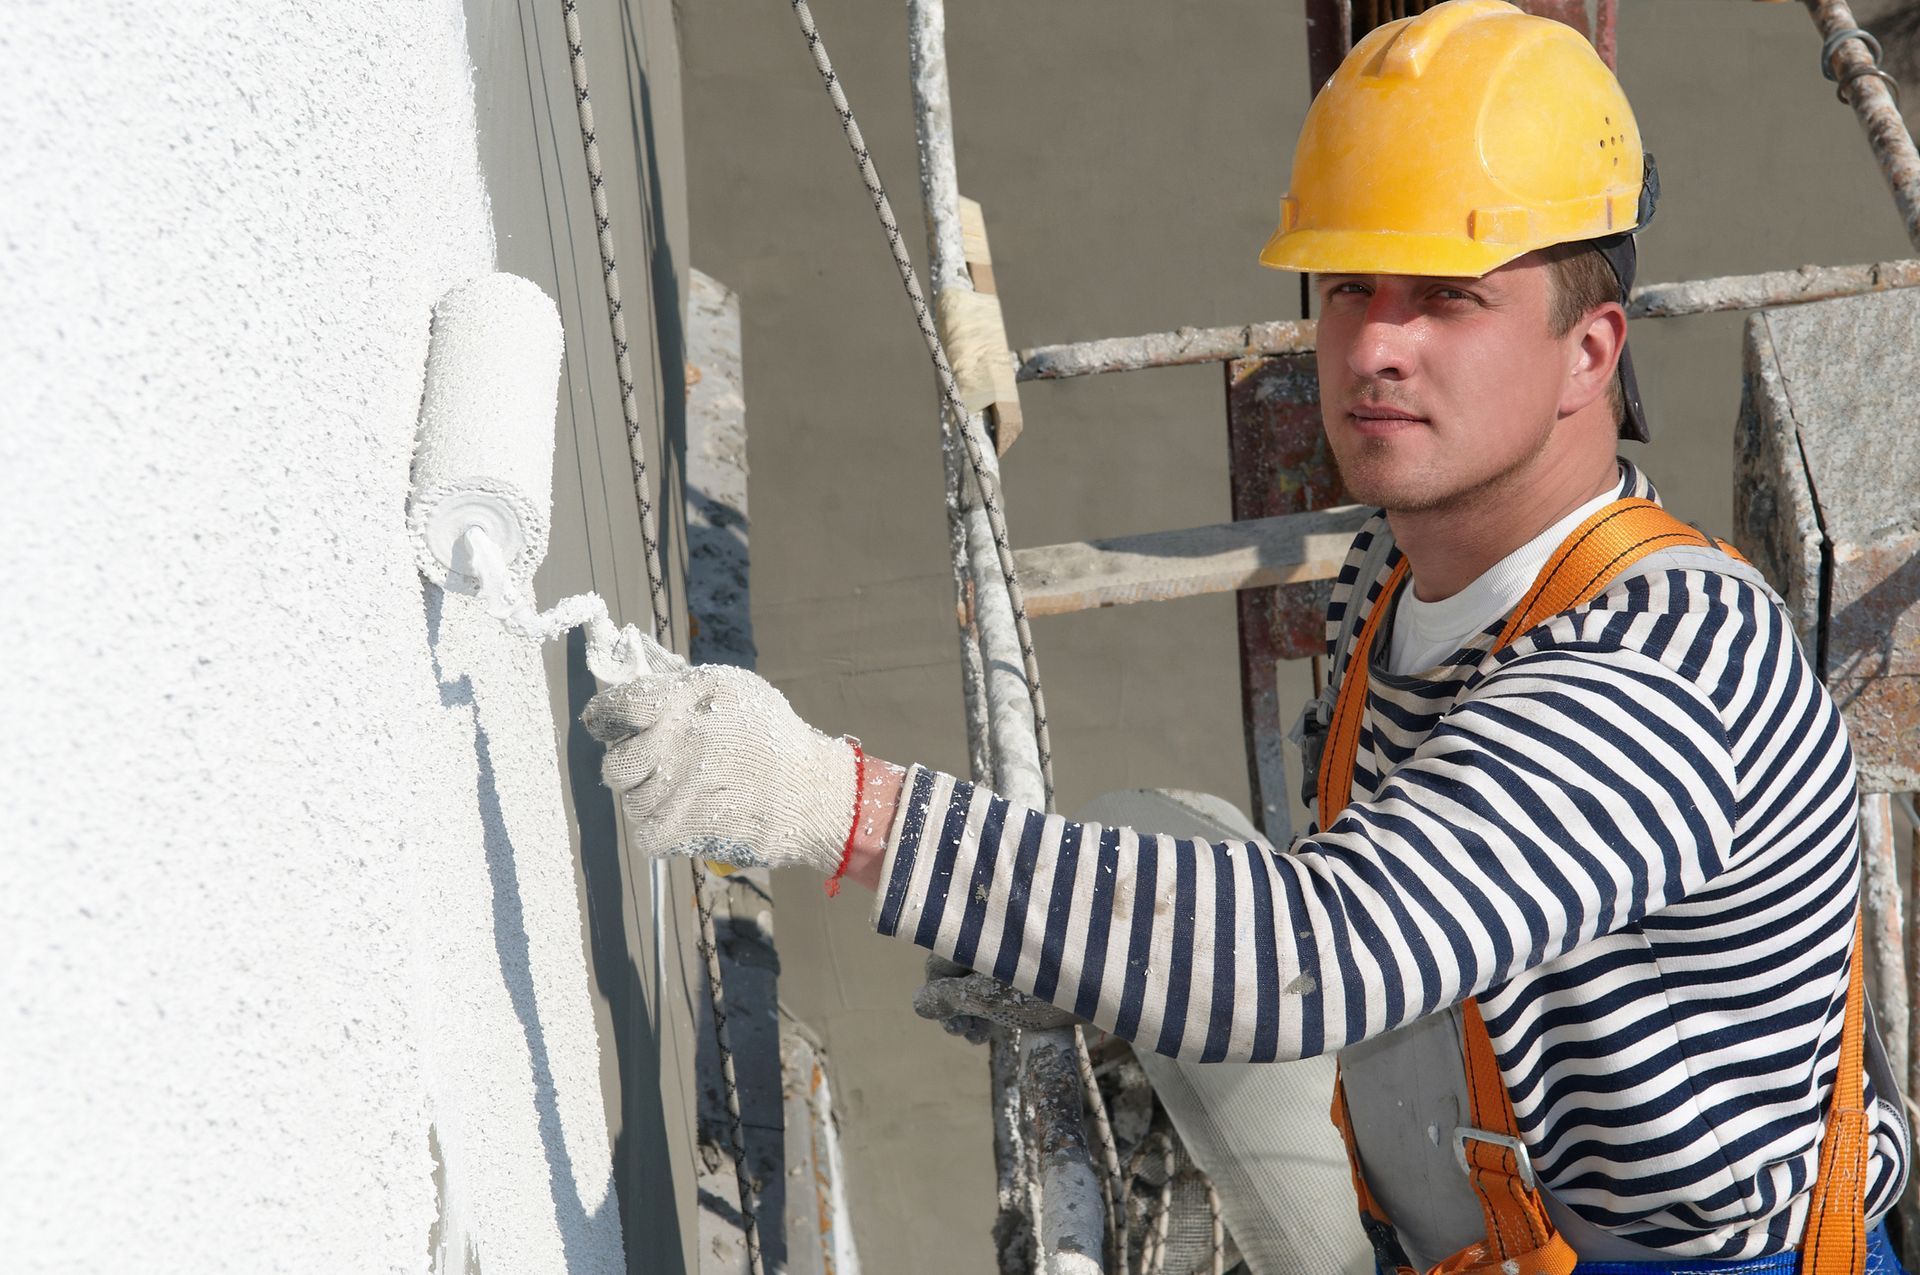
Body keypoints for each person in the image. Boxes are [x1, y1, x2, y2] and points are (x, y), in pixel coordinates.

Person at [582, 2, 1910, 1269]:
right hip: (1468, 1232)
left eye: (1448, 296)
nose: (1376, 344)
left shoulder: (1661, 674)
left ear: (1589, 350)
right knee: (1158, 845)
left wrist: (834, 803)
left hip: (1675, 1267)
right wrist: (1073, 943)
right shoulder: (1392, 571)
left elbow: (1312, 958)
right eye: (1349, 286)